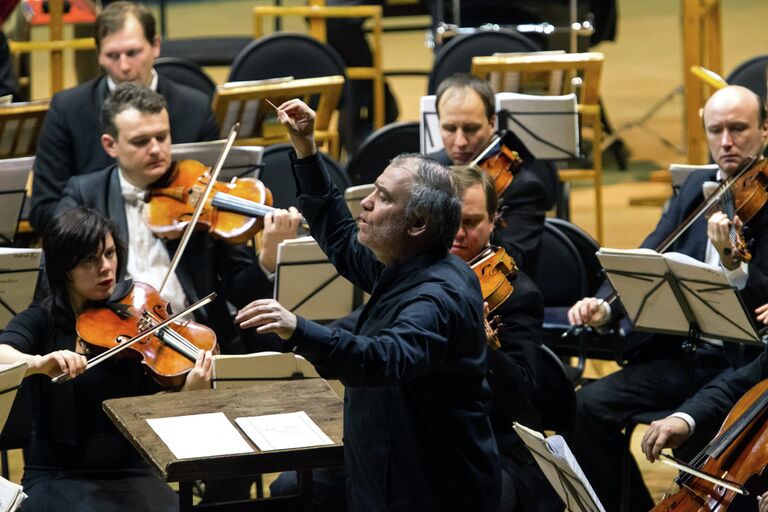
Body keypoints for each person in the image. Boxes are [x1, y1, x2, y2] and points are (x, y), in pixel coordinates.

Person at [236, 98, 501, 511]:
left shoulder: (438, 297)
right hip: (389, 477)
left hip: (432, 492)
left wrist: (299, 329)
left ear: (417, 225)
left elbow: (383, 359)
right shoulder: (406, 261)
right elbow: (341, 238)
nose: (366, 203)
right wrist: (305, 149)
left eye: (383, 197)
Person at [566, 85, 768, 512]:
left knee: (698, 439)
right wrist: (606, 305)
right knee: (587, 408)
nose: (726, 142)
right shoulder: (698, 185)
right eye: (716, 131)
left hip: (743, 366)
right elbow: (651, 250)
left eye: (738, 129)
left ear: (764, 130)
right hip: (683, 354)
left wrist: (736, 267)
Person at [0, 206, 212, 512]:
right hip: (57, 476)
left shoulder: (136, 319)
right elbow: (3, 354)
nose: (105, 267)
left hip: (133, 470)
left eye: (110, 254)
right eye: (90, 259)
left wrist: (190, 393)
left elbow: (161, 417)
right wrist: (38, 363)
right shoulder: (42, 320)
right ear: (64, 267)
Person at [30, 1, 219, 232]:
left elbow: (217, 198)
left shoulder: (195, 108)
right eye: (112, 55)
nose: (124, 66)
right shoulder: (67, 110)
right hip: (95, 249)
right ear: (99, 55)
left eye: (133, 53)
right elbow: (44, 208)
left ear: (156, 46)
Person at [428, 73, 555, 272]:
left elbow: (513, 262)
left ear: (492, 122)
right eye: (450, 128)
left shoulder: (523, 188)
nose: (460, 142)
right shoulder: (428, 170)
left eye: (471, 129)